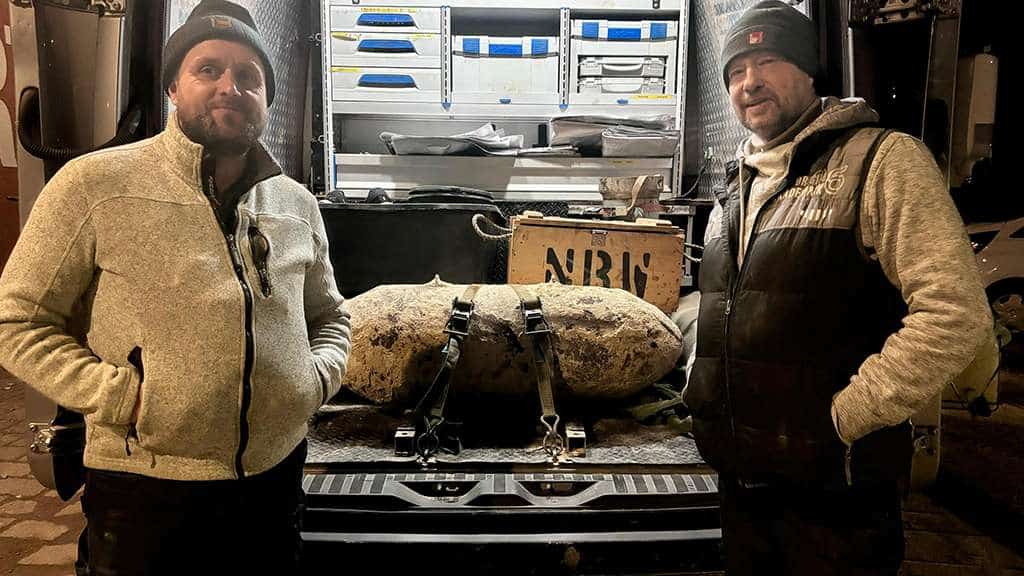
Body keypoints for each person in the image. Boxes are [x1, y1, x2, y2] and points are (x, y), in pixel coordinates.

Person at [0, 1, 351, 573]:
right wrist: (122, 397)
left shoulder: (295, 203)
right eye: (207, 69)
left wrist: (312, 380)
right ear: (173, 87)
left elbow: (330, 316)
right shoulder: (96, 185)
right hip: (147, 487)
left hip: (275, 480)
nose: (229, 88)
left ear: (265, 98)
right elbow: (17, 320)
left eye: (248, 77)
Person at [682, 1, 991, 574]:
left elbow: (955, 314)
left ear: (807, 70)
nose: (749, 83)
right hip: (744, 488)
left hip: (835, 497)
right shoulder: (736, 185)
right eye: (735, 72)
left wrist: (842, 418)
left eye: (767, 60)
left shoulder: (882, 161)